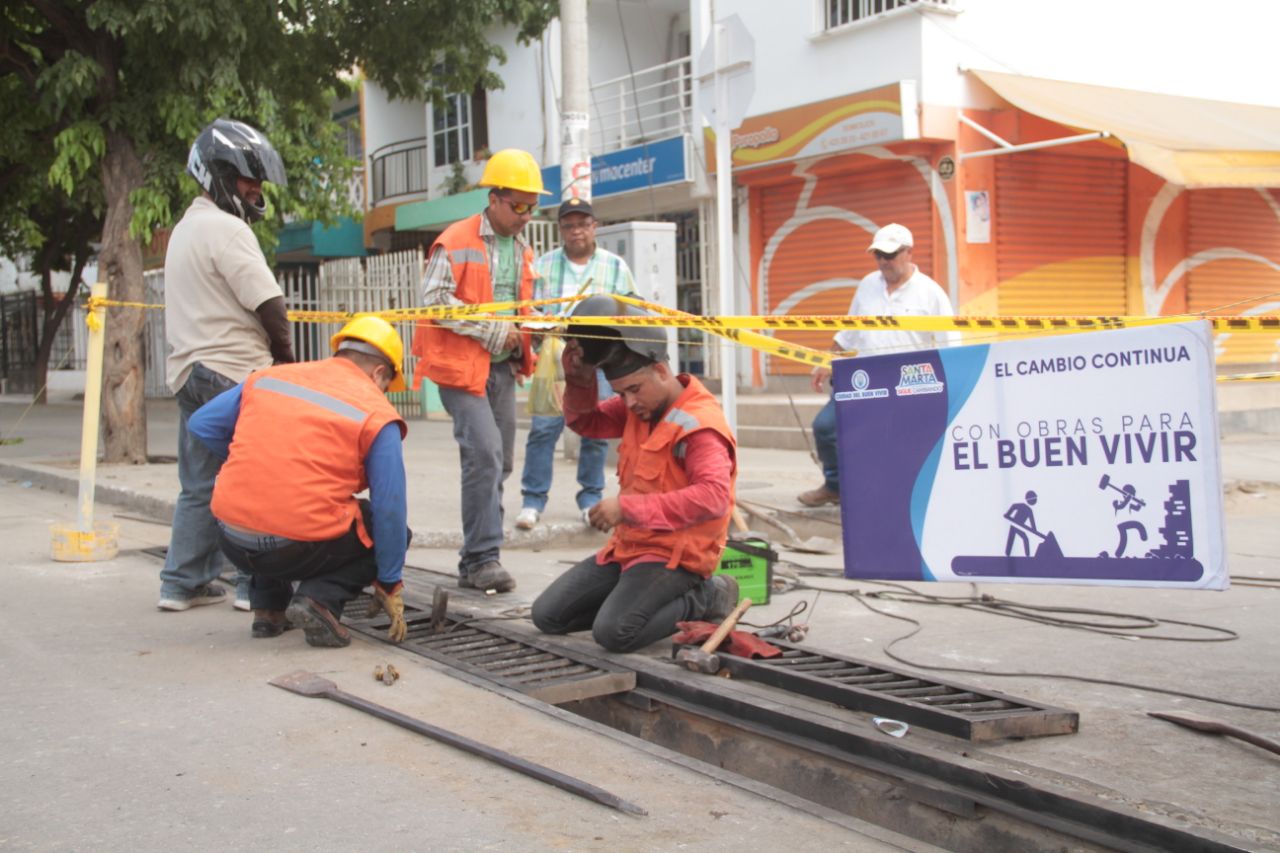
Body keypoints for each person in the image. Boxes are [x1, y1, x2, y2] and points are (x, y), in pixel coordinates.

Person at [531, 295, 741, 653]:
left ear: (661, 371)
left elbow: (714, 498)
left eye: (633, 390)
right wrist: (579, 382)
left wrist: (628, 508)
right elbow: (587, 422)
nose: (628, 402)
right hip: (629, 549)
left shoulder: (700, 425)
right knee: (548, 617)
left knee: (615, 633)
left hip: (677, 557)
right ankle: (632, 600)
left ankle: (707, 596)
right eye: (619, 392)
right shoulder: (640, 405)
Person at [188, 316, 411, 648]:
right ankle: (319, 600)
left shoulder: (269, 378)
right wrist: (390, 582)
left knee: (272, 495)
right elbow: (390, 508)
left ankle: (268, 609)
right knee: (384, 530)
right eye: (387, 385)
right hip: (298, 546)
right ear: (380, 373)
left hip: (231, 536)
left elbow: (201, 423)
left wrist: (255, 459)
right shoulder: (376, 413)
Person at [157, 118, 295, 612]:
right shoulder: (228, 229)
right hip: (233, 375)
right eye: (246, 179)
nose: (255, 190)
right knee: (253, 479)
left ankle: (181, 583)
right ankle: (249, 586)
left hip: (189, 375)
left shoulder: (184, 230)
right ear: (217, 175)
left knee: (199, 484)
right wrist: (287, 364)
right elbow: (270, 307)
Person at [415, 149, 546, 594]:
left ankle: (480, 553)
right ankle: (480, 559)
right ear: (494, 199)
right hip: (459, 369)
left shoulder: (525, 249)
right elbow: (433, 301)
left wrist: (535, 337)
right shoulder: (456, 239)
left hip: (501, 370)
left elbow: (522, 307)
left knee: (500, 461)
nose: (527, 215)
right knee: (485, 455)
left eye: (533, 206)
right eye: (519, 205)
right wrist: (493, 330)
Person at [798, 223, 956, 507]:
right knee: (826, 427)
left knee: (897, 447)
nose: (883, 262)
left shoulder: (931, 294)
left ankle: (902, 501)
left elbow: (950, 345)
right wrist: (825, 361)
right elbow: (850, 331)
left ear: (908, 252)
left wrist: (948, 388)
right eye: (878, 255)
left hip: (906, 383)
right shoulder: (868, 285)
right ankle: (835, 485)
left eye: (890, 255)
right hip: (863, 378)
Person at [516, 197, 637, 531]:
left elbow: (633, 309)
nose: (576, 231)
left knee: (595, 431)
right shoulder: (544, 265)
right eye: (569, 225)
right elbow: (529, 310)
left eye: (583, 224)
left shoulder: (614, 266)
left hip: (600, 362)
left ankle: (590, 499)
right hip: (555, 360)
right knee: (543, 429)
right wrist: (545, 323)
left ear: (594, 227)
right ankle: (533, 501)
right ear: (561, 230)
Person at [1003, 491, 1039, 556]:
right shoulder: (1022, 506)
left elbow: (1032, 522)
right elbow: (1013, 506)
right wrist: (1008, 514)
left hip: (1019, 526)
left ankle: (1026, 556)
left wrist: (1034, 530)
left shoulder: (1029, 510)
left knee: (1024, 538)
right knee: (1014, 538)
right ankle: (1007, 555)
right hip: (1014, 525)